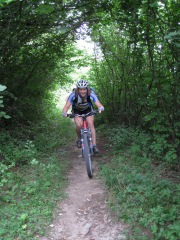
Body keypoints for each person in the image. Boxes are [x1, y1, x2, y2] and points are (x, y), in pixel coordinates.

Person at [62, 79, 104, 154]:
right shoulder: (73, 94)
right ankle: (79, 139)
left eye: (84, 89)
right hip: (77, 110)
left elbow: (99, 104)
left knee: (91, 124)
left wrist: (100, 108)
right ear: (78, 89)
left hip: (88, 109)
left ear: (87, 89)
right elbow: (66, 106)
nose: (82, 91)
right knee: (79, 125)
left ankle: (94, 146)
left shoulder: (91, 93)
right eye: (80, 89)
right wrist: (64, 112)